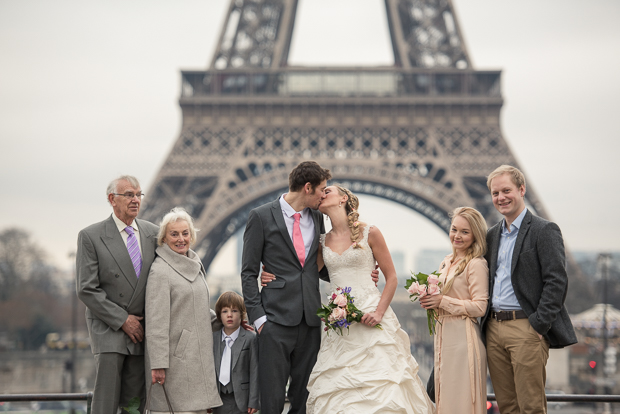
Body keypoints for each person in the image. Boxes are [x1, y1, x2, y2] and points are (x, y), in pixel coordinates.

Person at [265, 185, 435, 414]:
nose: (322, 193)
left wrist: (378, 313)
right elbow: (301, 273)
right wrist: (269, 274)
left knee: (383, 385)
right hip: (339, 325)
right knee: (339, 391)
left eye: (328, 190)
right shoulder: (321, 241)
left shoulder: (370, 232)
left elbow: (392, 278)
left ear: (343, 198)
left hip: (372, 316)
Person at [481, 165, 577, 414]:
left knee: (531, 407)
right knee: (508, 407)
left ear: (522, 189)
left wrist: (539, 324)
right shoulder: (492, 235)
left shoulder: (544, 230)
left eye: (506, 190)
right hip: (493, 329)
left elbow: (556, 281)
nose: (500, 197)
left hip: (525, 327)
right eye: (495, 193)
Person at [240, 160, 332, 414]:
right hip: (274, 321)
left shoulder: (317, 217)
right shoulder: (260, 216)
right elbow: (248, 273)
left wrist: (355, 271)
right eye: (322, 189)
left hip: (310, 320)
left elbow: (317, 267)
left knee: (304, 399)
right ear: (307, 187)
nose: (325, 195)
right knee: (271, 400)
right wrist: (259, 320)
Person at [76, 175, 158, 414]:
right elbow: (86, 288)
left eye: (138, 195)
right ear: (112, 199)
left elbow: (177, 270)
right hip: (109, 329)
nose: (135, 200)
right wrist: (123, 320)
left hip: (142, 331)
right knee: (106, 403)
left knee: (135, 404)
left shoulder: (153, 233)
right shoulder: (91, 236)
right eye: (129, 195)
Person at [145, 207, 222, 413]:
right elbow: (156, 321)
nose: (181, 239)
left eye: (185, 233)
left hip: (198, 355)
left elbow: (198, 308)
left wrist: (225, 320)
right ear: (164, 238)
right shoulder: (160, 271)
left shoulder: (194, 263)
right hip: (177, 362)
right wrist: (158, 364)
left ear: (192, 235)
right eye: (174, 234)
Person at [420, 207, 489, 413]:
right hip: (444, 339)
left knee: (461, 403)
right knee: (445, 403)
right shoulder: (446, 261)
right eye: (454, 229)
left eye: (465, 232)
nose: (457, 236)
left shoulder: (476, 264)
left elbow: (480, 307)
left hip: (463, 340)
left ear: (475, 234)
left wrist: (442, 301)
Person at [212, 291, 259, 414]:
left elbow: (255, 370)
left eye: (234, 311)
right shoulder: (213, 339)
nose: (229, 315)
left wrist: (254, 400)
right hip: (218, 399)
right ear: (219, 315)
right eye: (225, 311)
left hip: (241, 400)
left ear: (242, 314)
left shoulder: (250, 338)